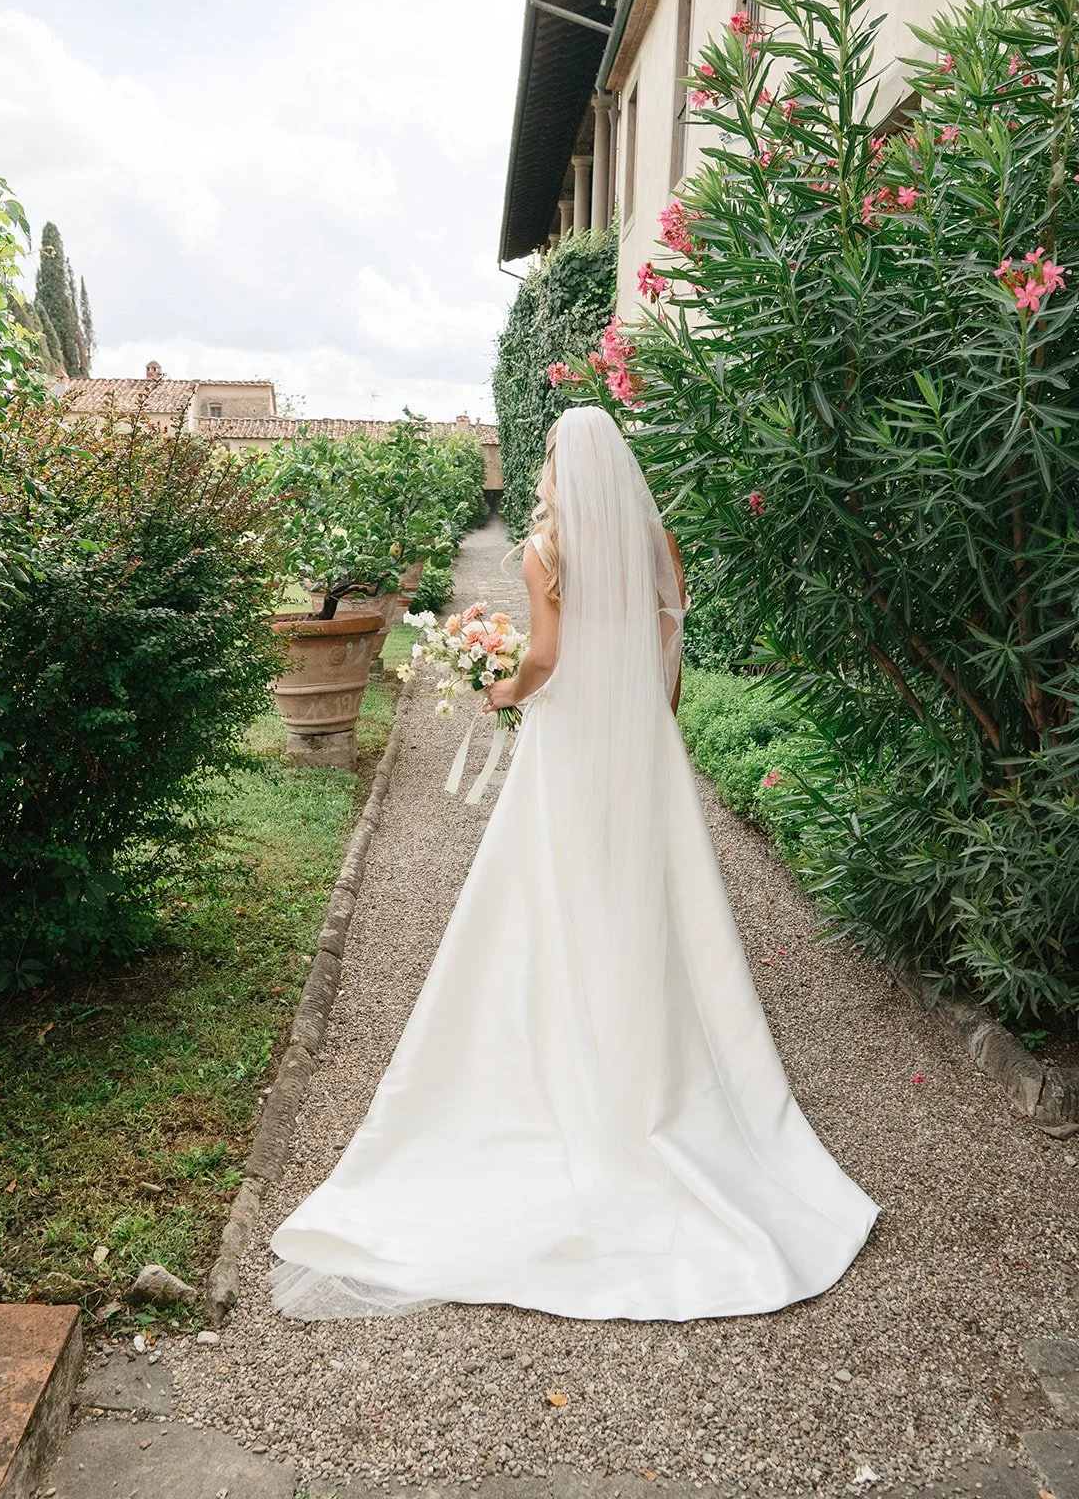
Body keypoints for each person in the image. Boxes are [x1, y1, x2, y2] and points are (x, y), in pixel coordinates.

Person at [270, 405, 877, 1322]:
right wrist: (655, 718)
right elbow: (670, 642)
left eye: (550, 455)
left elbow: (549, 659)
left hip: (569, 746)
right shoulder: (656, 537)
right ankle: (660, 1062)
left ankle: (564, 1052)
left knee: (555, 889)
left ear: (562, 464)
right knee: (652, 897)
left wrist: (501, 687)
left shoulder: (546, 552)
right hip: (640, 743)